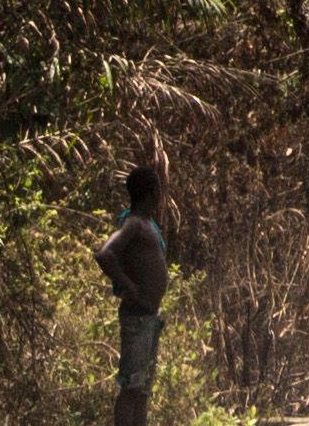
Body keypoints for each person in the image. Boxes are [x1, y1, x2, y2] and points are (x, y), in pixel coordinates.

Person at [96, 149, 183, 426]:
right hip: (136, 316)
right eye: (158, 190)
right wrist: (131, 288)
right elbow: (105, 254)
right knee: (131, 385)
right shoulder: (133, 223)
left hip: (148, 317)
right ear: (150, 193)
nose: (160, 195)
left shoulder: (148, 225)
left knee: (142, 388)